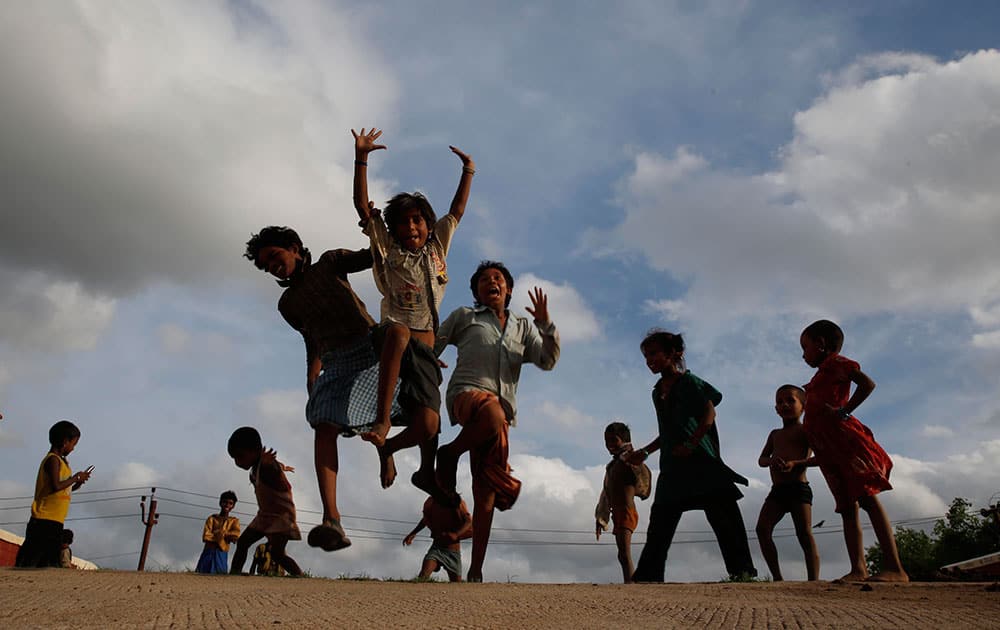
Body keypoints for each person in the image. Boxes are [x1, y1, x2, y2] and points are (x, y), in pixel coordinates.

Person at [245, 225, 398, 552]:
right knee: (323, 424)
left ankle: (386, 449)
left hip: (370, 346)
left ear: (295, 248)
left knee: (380, 416)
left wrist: (378, 229)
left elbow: (374, 257)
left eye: (275, 256)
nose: (272, 266)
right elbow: (311, 339)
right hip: (335, 361)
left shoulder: (330, 262)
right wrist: (311, 375)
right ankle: (332, 519)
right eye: (265, 266)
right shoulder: (287, 304)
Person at [351, 127, 475, 494]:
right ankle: (383, 421)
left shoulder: (438, 248)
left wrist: (468, 170)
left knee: (429, 425)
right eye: (403, 221)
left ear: (426, 223)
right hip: (390, 339)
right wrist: (362, 158)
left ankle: (398, 453)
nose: (410, 227)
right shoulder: (387, 248)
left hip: (425, 349)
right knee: (400, 331)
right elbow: (362, 207)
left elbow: (457, 211)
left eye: (417, 220)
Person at [434, 261, 560, 582]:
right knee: (492, 411)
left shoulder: (522, 327)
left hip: (499, 417)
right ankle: (450, 452)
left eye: (498, 279)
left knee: (486, 494)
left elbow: (546, 361)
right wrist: (429, 356)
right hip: (467, 395)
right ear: (477, 291)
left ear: (508, 289)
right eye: (485, 280)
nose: (492, 282)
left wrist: (545, 325)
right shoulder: (466, 316)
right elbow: (435, 340)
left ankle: (476, 570)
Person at [629, 330, 756, 582]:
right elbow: (666, 432)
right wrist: (645, 452)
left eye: (653, 354)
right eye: (646, 356)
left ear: (673, 353)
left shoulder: (690, 382)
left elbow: (709, 414)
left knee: (724, 517)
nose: (649, 360)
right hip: (673, 465)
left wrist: (692, 442)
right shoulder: (657, 392)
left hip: (702, 462)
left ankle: (743, 572)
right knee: (661, 519)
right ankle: (648, 575)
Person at [800, 319, 908, 582]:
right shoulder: (820, 374)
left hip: (844, 443)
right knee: (848, 507)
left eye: (805, 348)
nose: (803, 355)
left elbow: (867, 384)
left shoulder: (838, 364)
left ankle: (895, 567)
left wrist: (844, 411)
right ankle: (858, 569)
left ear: (821, 344)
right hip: (828, 450)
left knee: (868, 499)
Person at [755, 385, 819, 581]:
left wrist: (796, 463)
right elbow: (761, 460)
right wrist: (772, 460)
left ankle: (813, 580)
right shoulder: (775, 434)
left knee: (804, 533)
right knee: (762, 529)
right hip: (778, 491)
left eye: (791, 400)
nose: (785, 405)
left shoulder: (806, 431)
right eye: (780, 401)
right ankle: (777, 578)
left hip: (799, 488)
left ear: (803, 406)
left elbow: (820, 457)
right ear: (775, 409)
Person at [16, 421, 93, 567]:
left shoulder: (63, 463)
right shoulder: (53, 460)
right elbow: (55, 485)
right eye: (73, 444)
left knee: (47, 563)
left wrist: (77, 483)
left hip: (55, 521)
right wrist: (75, 477)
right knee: (32, 561)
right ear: (65, 441)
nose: (73, 448)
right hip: (43, 520)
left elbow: (63, 488)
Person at [227, 427, 302, 577]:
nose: (237, 462)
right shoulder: (256, 468)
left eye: (240, 456)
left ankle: (299, 576)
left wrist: (271, 464)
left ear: (255, 451)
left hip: (281, 517)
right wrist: (283, 466)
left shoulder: (267, 466)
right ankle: (234, 573)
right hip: (265, 516)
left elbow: (274, 469)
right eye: (234, 458)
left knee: (277, 553)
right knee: (243, 543)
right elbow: (278, 466)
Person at [595, 421, 651, 583]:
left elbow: (640, 471)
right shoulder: (613, 465)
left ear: (624, 441)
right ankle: (630, 581)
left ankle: (631, 583)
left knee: (624, 554)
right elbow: (606, 493)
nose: (609, 445)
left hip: (627, 512)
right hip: (618, 514)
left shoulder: (628, 459)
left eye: (614, 440)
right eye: (607, 441)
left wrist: (631, 455)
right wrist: (601, 517)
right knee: (622, 554)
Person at [402, 495, 473, 582]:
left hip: (453, 552)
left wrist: (456, 534)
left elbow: (469, 521)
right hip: (436, 549)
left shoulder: (457, 502)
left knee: (456, 584)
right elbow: (425, 519)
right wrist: (413, 533)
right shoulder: (431, 501)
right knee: (422, 577)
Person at [195, 490, 241, 574]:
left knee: (220, 579)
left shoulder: (234, 521)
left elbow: (235, 535)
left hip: (222, 553)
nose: (227, 505)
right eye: (225, 502)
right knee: (201, 576)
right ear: (220, 503)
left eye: (230, 503)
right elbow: (206, 536)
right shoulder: (212, 518)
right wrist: (224, 538)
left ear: (233, 506)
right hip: (208, 552)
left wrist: (220, 533)